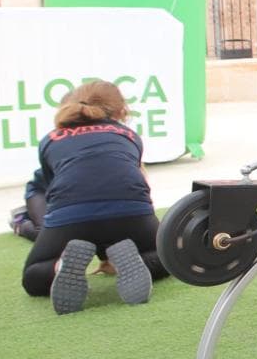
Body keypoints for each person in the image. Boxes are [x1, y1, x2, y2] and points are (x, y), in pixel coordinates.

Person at [21, 81, 164, 313]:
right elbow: (136, 182)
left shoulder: (51, 139)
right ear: (122, 111)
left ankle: (60, 265)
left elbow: (49, 189)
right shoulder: (129, 135)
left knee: (33, 275)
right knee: (168, 256)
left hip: (71, 215)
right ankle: (126, 262)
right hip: (130, 212)